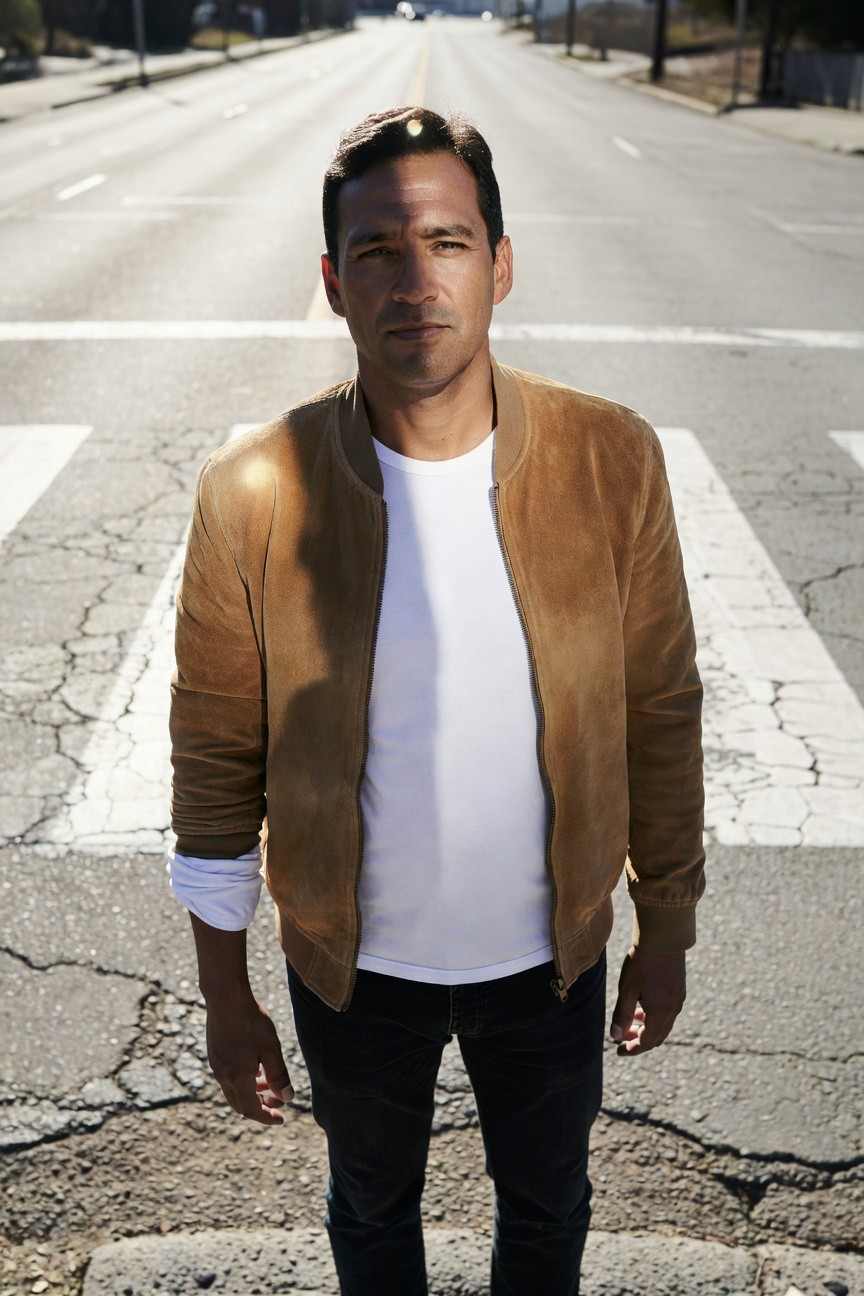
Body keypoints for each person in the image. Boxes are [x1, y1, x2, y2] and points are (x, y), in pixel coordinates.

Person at [168, 106, 704, 1296]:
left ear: (500, 265)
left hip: (551, 962)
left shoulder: (612, 458)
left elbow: (660, 708)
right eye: (377, 251)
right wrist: (225, 994)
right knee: (369, 1209)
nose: (416, 282)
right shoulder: (253, 490)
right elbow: (213, 759)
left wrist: (664, 929)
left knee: (549, 1209)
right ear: (333, 283)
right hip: (352, 970)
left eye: (448, 242)